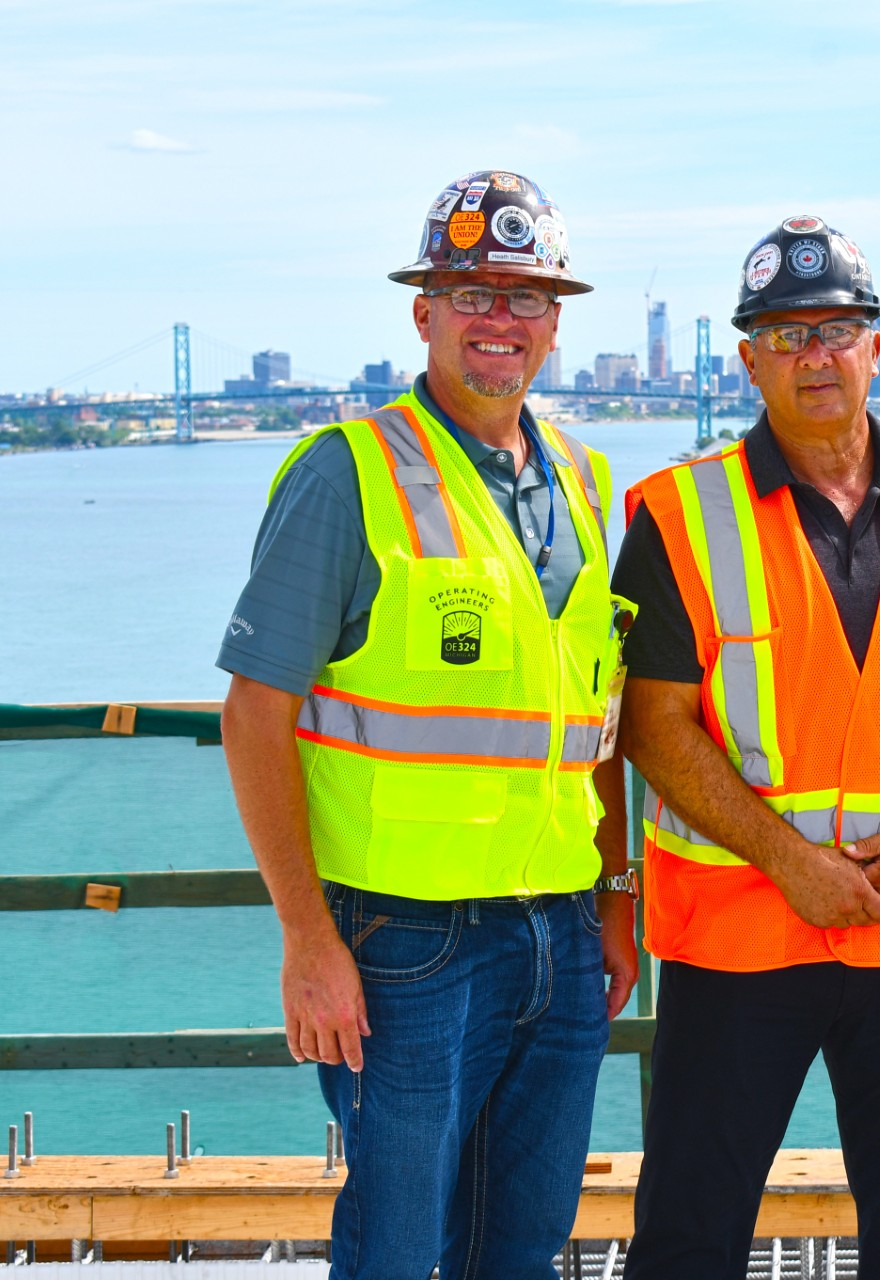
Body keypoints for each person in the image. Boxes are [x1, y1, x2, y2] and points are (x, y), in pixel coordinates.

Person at [218, 171, 637, 1279]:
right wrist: (309, 941)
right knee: (401, 1251)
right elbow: (254, 712)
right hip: (404, 943)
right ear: (425, 313)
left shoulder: (588, 483)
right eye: (472, 293)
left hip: (558, 929)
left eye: (526, 296)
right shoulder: (347, 474)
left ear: (556, 323)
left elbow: (595, 724)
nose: (500, 318)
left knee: (524, 1245)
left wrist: (615, 894)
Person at [613, 215, 880, 1279]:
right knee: (687, 1233)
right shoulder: (679, 513)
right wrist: (789, 860)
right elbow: (652, 724)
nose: (816, 353)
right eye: (788, 332)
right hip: (739, 937)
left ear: (877, 346)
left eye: (838, 328)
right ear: (747, 354)